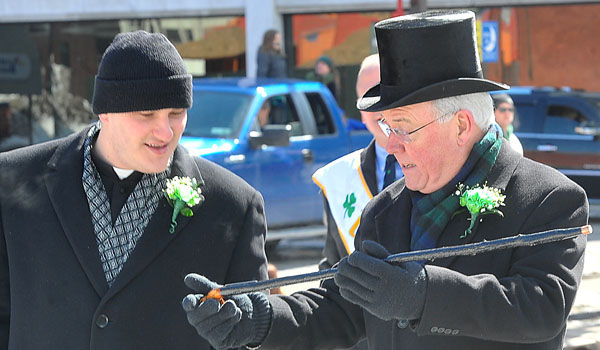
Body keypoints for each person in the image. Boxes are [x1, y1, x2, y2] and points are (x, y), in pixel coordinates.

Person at [182, 10, 587, 350]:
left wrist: (425, 295)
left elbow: (541, 308)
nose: (391, 146)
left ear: (462, 125)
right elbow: (341, 307)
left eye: (404, 128)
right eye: (385, 127)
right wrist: (260, 319)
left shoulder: (550, 197)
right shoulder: (384, 210)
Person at [0, 30, 269, 349]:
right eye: (147, 114)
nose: (166, 131)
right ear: (105, 112)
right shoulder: (11, 179)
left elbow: (250, 334)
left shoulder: (234, 206)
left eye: (176, 113)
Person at [314, 53, 402, 271]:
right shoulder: (338, 178)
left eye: (384, 93)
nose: (379, 105)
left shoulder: (437, 161)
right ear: (360, 110)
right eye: (369, 97)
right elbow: (333, 266)